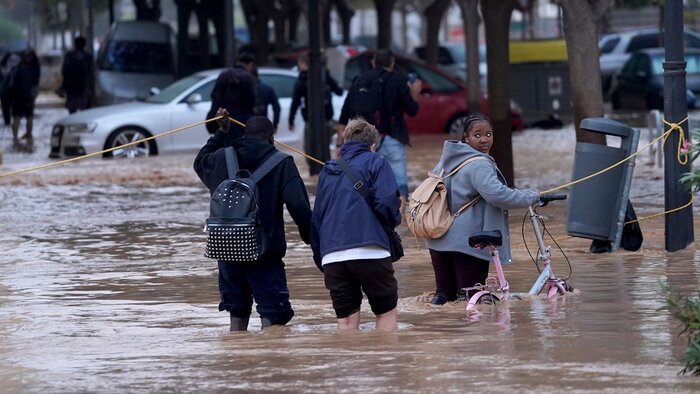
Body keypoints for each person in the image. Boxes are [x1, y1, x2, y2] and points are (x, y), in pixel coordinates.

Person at [193, 109, 312, 331]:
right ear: (271, 137)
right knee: (273, 316)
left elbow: (199, 162)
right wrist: (312, 240)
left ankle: (238, 359)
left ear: (245, 134)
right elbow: (299, 206)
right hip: (265, 252)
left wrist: (221, 133)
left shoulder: (221, 157)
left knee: (237, 312)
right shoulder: (282, 162)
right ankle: (268, 361)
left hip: (227, 249)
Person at [426, 113, 540, 305]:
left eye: (488, 134)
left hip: (438, 240)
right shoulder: (479, 164)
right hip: (468, 244)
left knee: (444, 301)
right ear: (466, 137)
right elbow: (498, 195)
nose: (484, 139)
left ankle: (439, 334)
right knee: (471, 302)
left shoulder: (446, 161)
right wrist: (532, 196)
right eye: (477, 135)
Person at [311, 117, 401, 331]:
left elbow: (317, 218)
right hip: (371, 252)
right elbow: (387, 204)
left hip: (332, 256)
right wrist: (390, 226)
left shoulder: (328, 170)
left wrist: (321, 256)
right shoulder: (376, 161)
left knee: (346, 321)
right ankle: (387, 363)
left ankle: (350, 361)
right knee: (385, 313)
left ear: (344, 142)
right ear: (373, 145)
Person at [338, 49, 421, 201]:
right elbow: (412, 110)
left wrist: (340, 142)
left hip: (362, 141)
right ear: (392, 63)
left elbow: (345, 113)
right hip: (391, 136)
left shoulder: (359, 79)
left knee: (366, 180)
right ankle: (399, 219)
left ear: (373, 62)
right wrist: (414, 94)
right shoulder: (397, 80)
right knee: (399, 182)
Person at [288, 52, 344, 176]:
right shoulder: (325, 76)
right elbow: (339, 91)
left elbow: (295, 101)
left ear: (303, 64)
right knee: (325, 149)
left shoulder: (302, 79)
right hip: (326, 119)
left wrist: (291, 119)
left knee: (310, 149)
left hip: (311, 121)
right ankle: (327, 172)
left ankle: (315, 172)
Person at [205, 53, 257, 140]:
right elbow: (253, 101)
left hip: (224, 119)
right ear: (250, 64)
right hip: (242, 121)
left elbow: (215, 97)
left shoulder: (224, 75)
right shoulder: (249, 77)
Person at [8, 48, 40, 151]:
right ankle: (28, 136)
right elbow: (35, 84)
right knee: (28, 117)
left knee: (17, 118)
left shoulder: (17, 68)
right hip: (27, 97)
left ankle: (16, 137)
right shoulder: (33, 68)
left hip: (17, 97)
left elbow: (11, 84)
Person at [61, 36, 95, 113]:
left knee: (72, 110)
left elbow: (64, 70)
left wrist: (64, 84)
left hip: (71, 87)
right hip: (84, 87)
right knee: (85, 110)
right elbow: (91, 73)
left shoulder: (69, 56)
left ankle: (73, 123)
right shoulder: (88, 57)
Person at [252, 67, 280, 132]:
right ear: (258, 75)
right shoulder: (267, 89)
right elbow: (277, 108)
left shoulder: (243, 90)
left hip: (245, 124)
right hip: (263, 124)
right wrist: (275, 125)